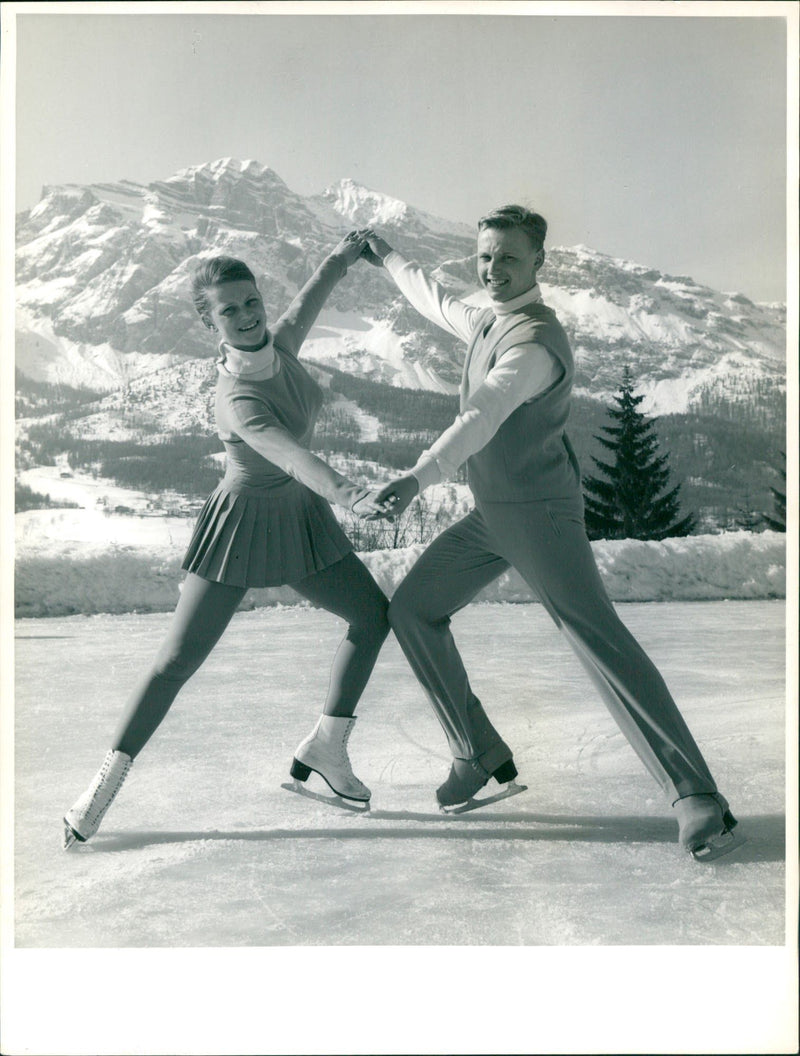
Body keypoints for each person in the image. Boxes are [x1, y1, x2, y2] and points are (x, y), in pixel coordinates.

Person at [360, 207, 739, 860]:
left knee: (596, 639)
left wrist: (417, 478)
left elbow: (483, 414)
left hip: (540, 517)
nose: (493, 269)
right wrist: (387, 256)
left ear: (538, 261)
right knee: (413, 609)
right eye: (484, 256)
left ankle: (696, 796)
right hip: (492, 517)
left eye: (508, 257)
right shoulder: (487, 318)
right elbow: (437, 300)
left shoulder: (534, 344)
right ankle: (475, 753)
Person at [63, 232, 389, 849]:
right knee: (177, 661)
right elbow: (289, 454)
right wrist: (352, 495)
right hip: (241, 526)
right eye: (229, 310)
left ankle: (328, 745)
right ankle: (102, 787)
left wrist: (343, 257)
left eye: (250, 301)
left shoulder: (281, 346)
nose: (246, 316)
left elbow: (309, 301)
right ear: (208, 322)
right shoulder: (237, 397)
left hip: (298, 518)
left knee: (372, 616)